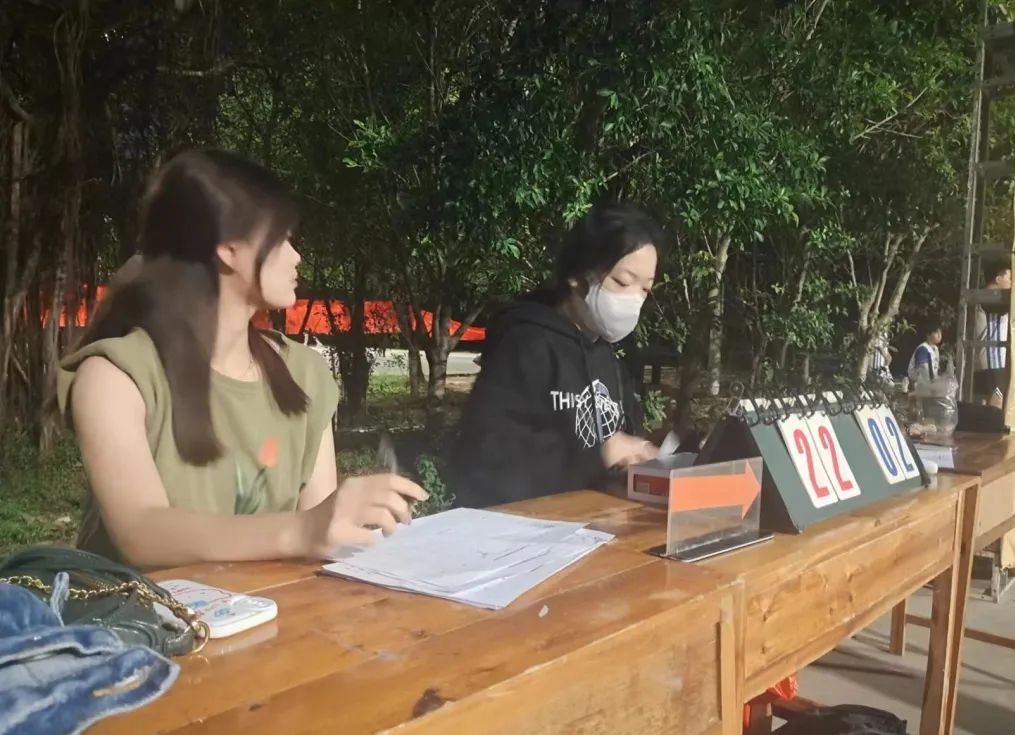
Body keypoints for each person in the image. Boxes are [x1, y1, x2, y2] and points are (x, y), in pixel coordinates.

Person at [57, 149, 426, 570]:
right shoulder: (115, 378)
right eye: (282, 238)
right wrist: (303, 530)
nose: (296, 256)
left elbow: (319, 544)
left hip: (276, 609)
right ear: (228, 247)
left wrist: (332, 528)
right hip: (141, 611)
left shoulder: (304, 374)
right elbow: (140, 533)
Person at [452, 202, 661, 508]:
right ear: (578, 275)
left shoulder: (608, 359)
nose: (634, 300)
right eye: (623, 282)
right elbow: (490, 455)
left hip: (597, 524)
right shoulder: (525, 343)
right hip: (524, 526)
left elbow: (625, 444)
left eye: (645, 290)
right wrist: (598, 455)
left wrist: (640, 456)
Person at [973, 264, 1011, 409]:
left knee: (984, 407)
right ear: (998, 279)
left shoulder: (985, 298)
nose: (1012, 283)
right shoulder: (990, 297)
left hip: (987, 361)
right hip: (993, 361)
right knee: (995, 406)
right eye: (1009, 278)